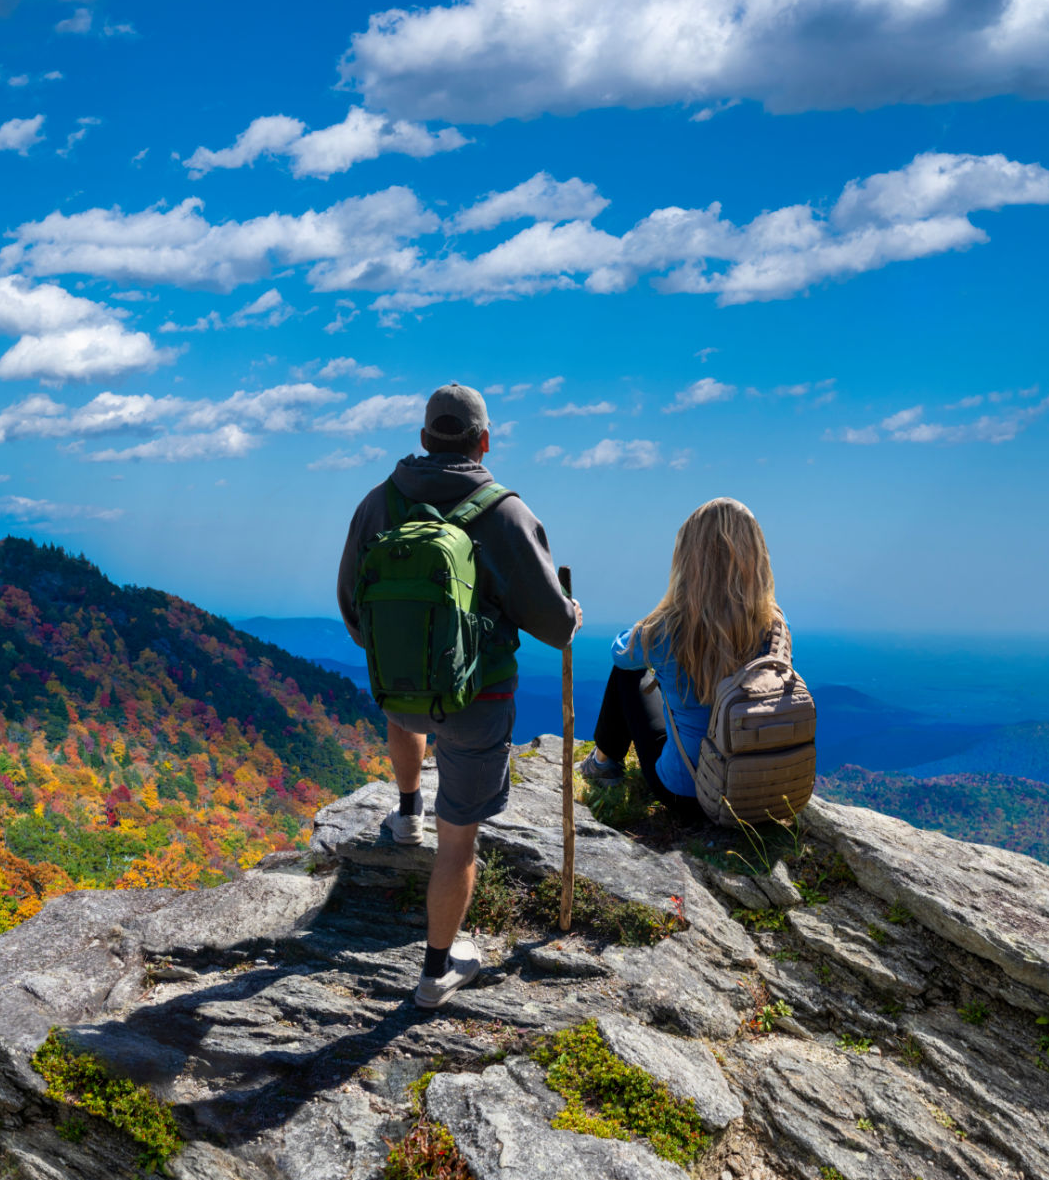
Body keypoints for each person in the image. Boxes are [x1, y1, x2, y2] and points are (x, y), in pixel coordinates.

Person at [337, 383, 581, 1009]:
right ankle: (436, 971)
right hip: (479, 702)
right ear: (484, 441)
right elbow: (554, 626)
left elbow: (352, 605)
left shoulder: (378, 503)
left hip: (398, 694)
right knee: (459, 843)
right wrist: (571, 615)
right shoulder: (506, 514)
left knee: (407, 706)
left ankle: (406, 813)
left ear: (424, 438)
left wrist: (403, 652)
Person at [580, 497, 787, 826]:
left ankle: (603, 763)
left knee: (626, 675)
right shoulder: (774, 624)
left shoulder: (670, 626)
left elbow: (620, 653)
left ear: (689, 557)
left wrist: (659, 614)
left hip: (688, 793)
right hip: (759, 792)